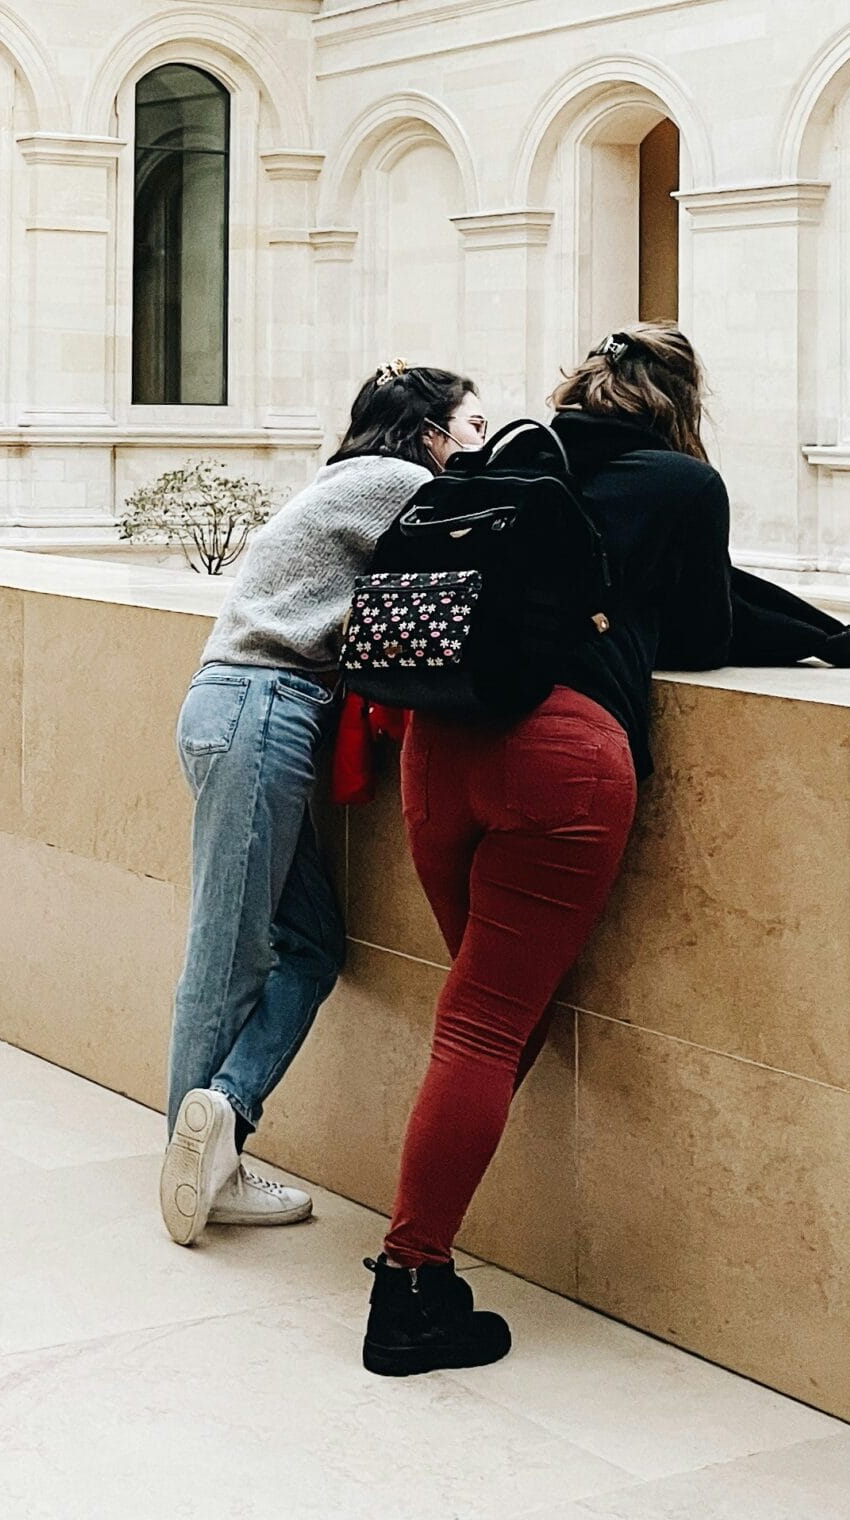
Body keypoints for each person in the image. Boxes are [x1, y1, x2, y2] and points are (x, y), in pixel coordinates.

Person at [364, 324, 729, 1377]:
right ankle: (409, 1284)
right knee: (484, 1029)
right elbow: (701, 636)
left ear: (575, 388)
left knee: (478, 1022)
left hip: (436, 748)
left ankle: (419, 1246)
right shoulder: (679, 484)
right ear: (678, 402)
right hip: (560, 758)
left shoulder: (497, 459)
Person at [159, 362, 486, 1247]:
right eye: (473, 427)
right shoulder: (404, 482)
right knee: (228, 948)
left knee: (309, 948)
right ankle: (189, 1164)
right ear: (430, 433)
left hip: (238, 706)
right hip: (264, 705)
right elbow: (480, 559)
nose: (477, 447)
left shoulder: (344, 477)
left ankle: (220, 1115)